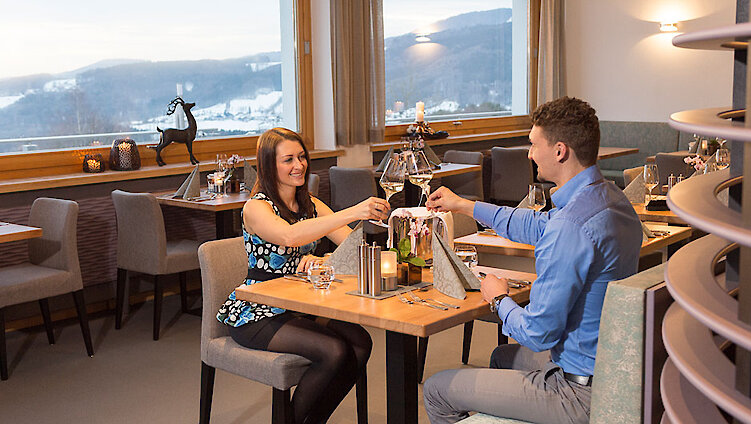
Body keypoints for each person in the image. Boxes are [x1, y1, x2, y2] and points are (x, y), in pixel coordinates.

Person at [423, 97, 642, 423]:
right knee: (502, 356)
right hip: (610, 368)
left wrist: (498, 298)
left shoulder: (571, 226)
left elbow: (539, 333)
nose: (528, 153)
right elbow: (535, 225)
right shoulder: (611, 199)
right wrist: (464, 206)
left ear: (559, 151)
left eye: (533, 144)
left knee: (436, 389)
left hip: (580, 393)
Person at [216, 127, 390, 424]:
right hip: (258, 312)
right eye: (288, 160)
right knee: (334, 350)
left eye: (301, 157)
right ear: (269, 165)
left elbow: (351, 247)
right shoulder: (256, 207)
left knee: (361, 343)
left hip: (300, 305)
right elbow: (289, 236)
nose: (298, 166)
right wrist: (353, 211)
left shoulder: (309, 204)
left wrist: (324, 258)